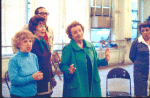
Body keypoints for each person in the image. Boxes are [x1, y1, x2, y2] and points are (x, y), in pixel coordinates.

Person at [59, 21, 110, 97]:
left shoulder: (90, 46)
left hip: (92, 81)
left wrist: (105, 59)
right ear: (71, 36)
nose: (79, 33)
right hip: (77, 83)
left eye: (80, 30)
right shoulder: (68, 48)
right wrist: (68, 70)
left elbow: (95, 62)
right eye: (75, 32)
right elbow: (62, 65)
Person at [8, 30, 43, 97]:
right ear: (18, 44)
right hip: (19, 95)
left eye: (30, 41)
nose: (29, 44)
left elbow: (36, 73)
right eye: (25, 41)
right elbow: (14, 81)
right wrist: (32, 78)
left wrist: (38, 76)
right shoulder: (13, 59)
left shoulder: (34, 56)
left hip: (33, 93)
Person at [29, 15, 56, 97]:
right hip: (37, 81)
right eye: (40, 26)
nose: (43, 28)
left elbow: (48, 62)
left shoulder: (45, 42)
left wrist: (52, 77)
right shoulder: (30, 44)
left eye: (44, 26)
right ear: (34, 28)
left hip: (47, 78)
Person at [129, 21, 150, 97]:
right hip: (140, 73)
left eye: (147, 30)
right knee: (140, 93)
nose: (145, 32)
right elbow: (131, 56)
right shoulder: (136, 42)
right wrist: (140, 64)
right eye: (142, 31)